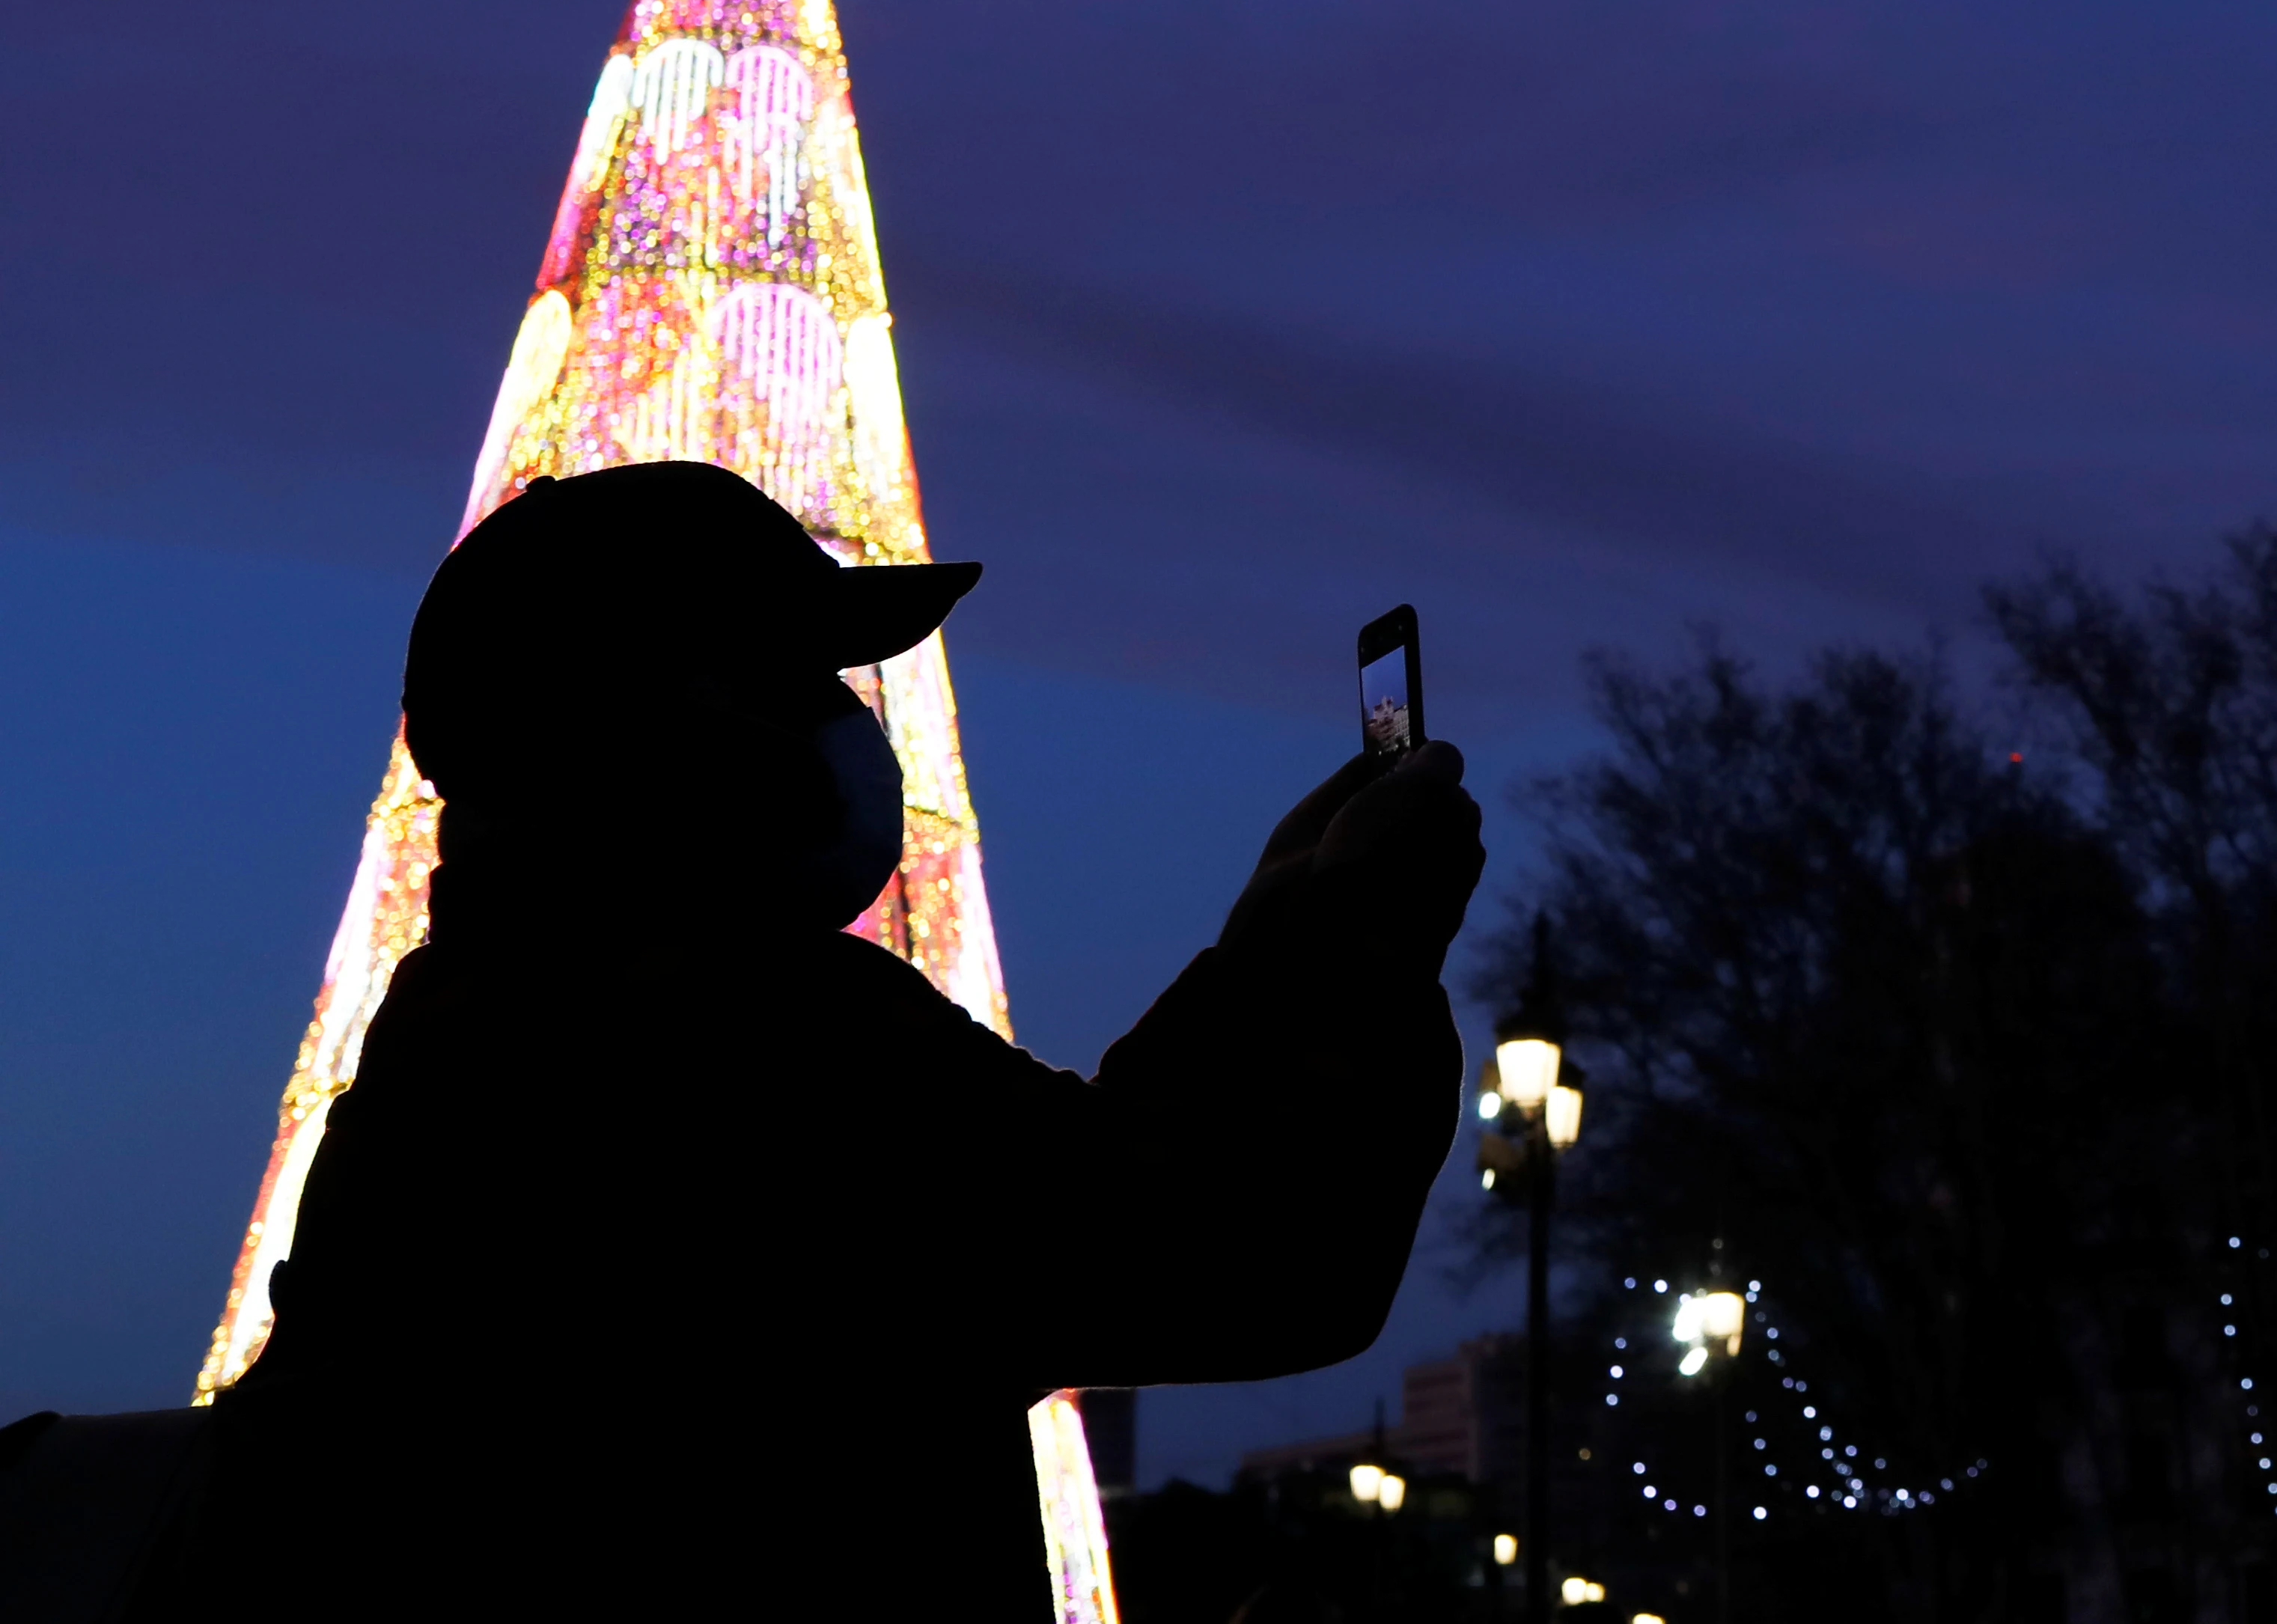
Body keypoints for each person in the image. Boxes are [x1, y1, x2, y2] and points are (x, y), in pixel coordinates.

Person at [156, 460, 1481, 1620]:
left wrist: (1270, 941)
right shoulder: (757, 1040)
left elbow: (1078, 1187)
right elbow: (1241, 1249)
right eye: (818, 682)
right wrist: (1362, 931)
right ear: (700, 712)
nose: (855, 722)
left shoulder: (465, 1031)